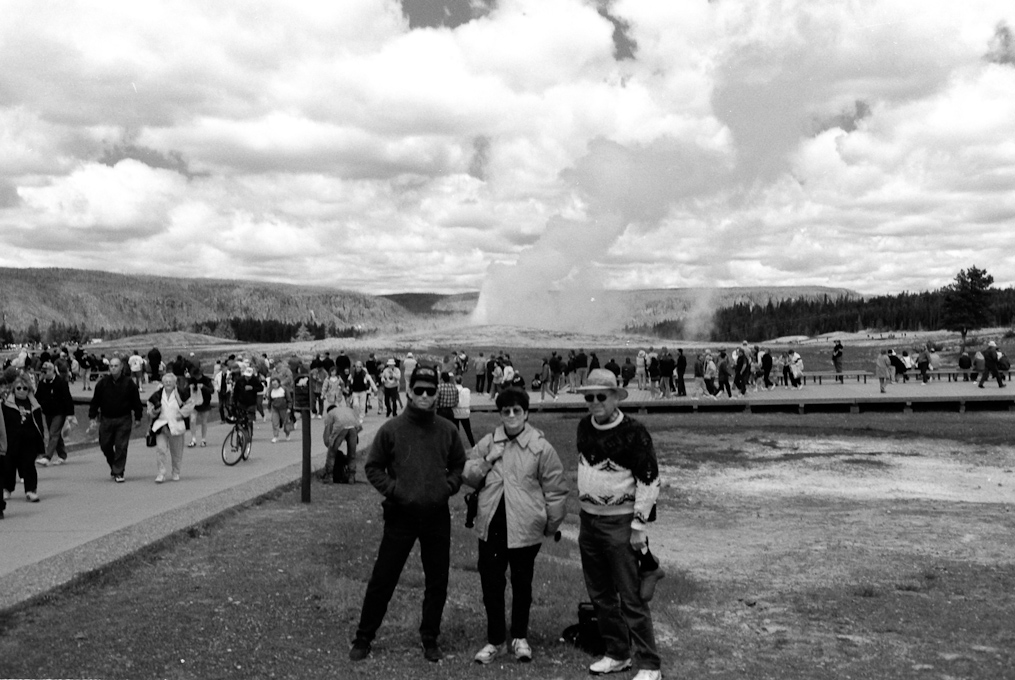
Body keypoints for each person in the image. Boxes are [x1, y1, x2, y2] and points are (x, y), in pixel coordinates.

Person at [349, 366, 467, 663]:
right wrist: (396, 490)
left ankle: (430, 638)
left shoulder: (448, 430)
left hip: (436, 515)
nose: (424, 395)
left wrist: (446, 488)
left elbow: (458, 466)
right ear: (409, 392)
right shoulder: (392, 430)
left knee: (437, 580)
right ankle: (364, 637)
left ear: (437, 393)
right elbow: (373, 467)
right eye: (419, 390)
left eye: (430, 390)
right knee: (383, 577)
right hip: (401, 514)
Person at [463, 387, 568, 665]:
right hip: (491, 526)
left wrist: (550, 524)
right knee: (491, 585)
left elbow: (555, 489)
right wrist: (488, 460)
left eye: (516, 411)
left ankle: (520, 636)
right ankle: (496, 639)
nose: (511, 416)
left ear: (526, 413)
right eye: (505, 411)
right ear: (499, 414)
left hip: (525, 527)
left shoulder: (540, 447)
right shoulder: (488, 442)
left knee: (523, 584)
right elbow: (468, 475)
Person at [574, 369, 662, 680]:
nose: (594, 402)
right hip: (588, 521)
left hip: (621, 523)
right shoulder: (584, 427)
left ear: (615, 397)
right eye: (589, 397)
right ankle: (617, 653)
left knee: (630, 595)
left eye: (601, 396)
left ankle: (650, 663)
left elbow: (649, 479)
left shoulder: (634, 432)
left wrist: (639, 524)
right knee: (600, 593)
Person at [88, 356, 144, 483]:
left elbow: (136, 401)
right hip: (106, 418)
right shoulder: (102, 383)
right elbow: (95, 401)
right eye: (111, 366)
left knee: (121, 445)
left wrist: (138, 417)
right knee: (105, 444)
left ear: (121, 367)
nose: (113, 368)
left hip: (123, 418)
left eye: (116, 366)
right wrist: (92, 416)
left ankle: (119, 471)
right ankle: (114, 463)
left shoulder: (129, 383)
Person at [2, 373, 46, 504]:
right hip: (11, 440)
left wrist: (41, 443)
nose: (21, 391)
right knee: (9, 466)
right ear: (14, 389)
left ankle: (31, 490)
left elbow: (39, 426)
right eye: (18, 388)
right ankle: (7, 489)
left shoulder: (34, 406)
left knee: (28, 466)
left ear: (29, 390)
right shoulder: (6, 405)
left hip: (29, 441)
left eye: (25, 388)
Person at [147, 373, 194, 483]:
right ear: (162, 383)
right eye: (166, 381)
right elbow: (150, 410)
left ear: (175, 383)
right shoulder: (156, 395)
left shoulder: (181, 394)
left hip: (176, 425)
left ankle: (176, 472)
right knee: (161, 450)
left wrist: (182, 414)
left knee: (176, 451)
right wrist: (154, 411)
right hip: (160, 426)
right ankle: (161, 473)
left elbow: (190, 405)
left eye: (170, 381)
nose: (168, 383)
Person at [35, 361, 76, 466]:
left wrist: (70, 414)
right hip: (48, 412)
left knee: (53, 432)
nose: (44, 373)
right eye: (43, 371)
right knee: (55, 434)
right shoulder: (42, 383)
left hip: (59, 412)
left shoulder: (61, 382)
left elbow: (67, 398)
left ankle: (47, 457)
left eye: (46, 371)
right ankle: (62, 455)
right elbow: (37, 397)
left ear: (52, 371)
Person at [322, 400, 360, 483]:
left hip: (340, 426)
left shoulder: (330, 413)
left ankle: (329, 476)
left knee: (331, 454)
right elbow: (358, 425)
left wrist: (330, 444)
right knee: (352, 454)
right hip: (354, 426)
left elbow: (327, 433)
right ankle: (351, 477)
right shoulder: (347, 410)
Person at [187, 365, 214, 448]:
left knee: (204, 422)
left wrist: (204, 387)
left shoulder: (207, 380)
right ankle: (193, 438)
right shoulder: (191, 380)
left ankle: (203, 439)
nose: (196, 377)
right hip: (193, 403)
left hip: (205, 403)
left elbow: (212, 391)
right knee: (192, 420)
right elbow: (186, 391)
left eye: (197, 376)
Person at [266, 377, 292, 443]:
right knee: (274, 422)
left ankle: (287, 434)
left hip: (283, 408)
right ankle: (276, 436)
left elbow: (289, 399)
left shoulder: (284, 389)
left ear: (278, 383)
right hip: (274, 408)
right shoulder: (271, 390)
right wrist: (269, 407)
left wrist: (289, 408)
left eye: (275, 383)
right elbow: (270, 400)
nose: (274, 385)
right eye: (273, 384)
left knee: (286, 422)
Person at [452, 375, 476, 447]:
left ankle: (455, 446)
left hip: (455, 412)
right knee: (468, 431)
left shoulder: (453, 390)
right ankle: (473, 445)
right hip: (465, 412)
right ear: (462, 382)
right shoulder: (467, 391)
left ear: (455, 382)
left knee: (456, 430)